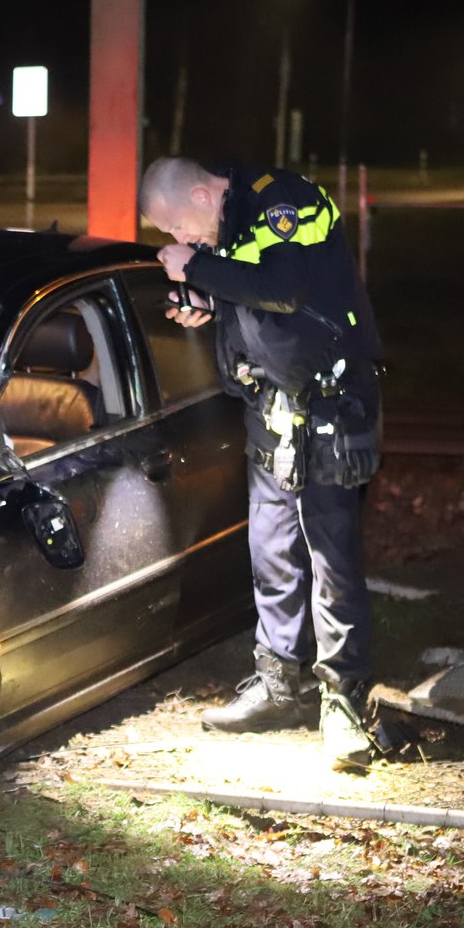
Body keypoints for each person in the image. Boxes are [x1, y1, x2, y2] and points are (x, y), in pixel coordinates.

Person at [138, 156, 383, 770]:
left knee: (330, 555)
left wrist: (195, 266)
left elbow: (283, 287)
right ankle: (278, 688)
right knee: (271, 550)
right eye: (173, 237)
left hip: (328, 406)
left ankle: (345, 704)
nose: (179, 240)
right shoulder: (228, 228)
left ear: (201, 193)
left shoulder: (286, 202)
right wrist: (204, 302)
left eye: (177, 227)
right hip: (272, 409)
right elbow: (250, 298)